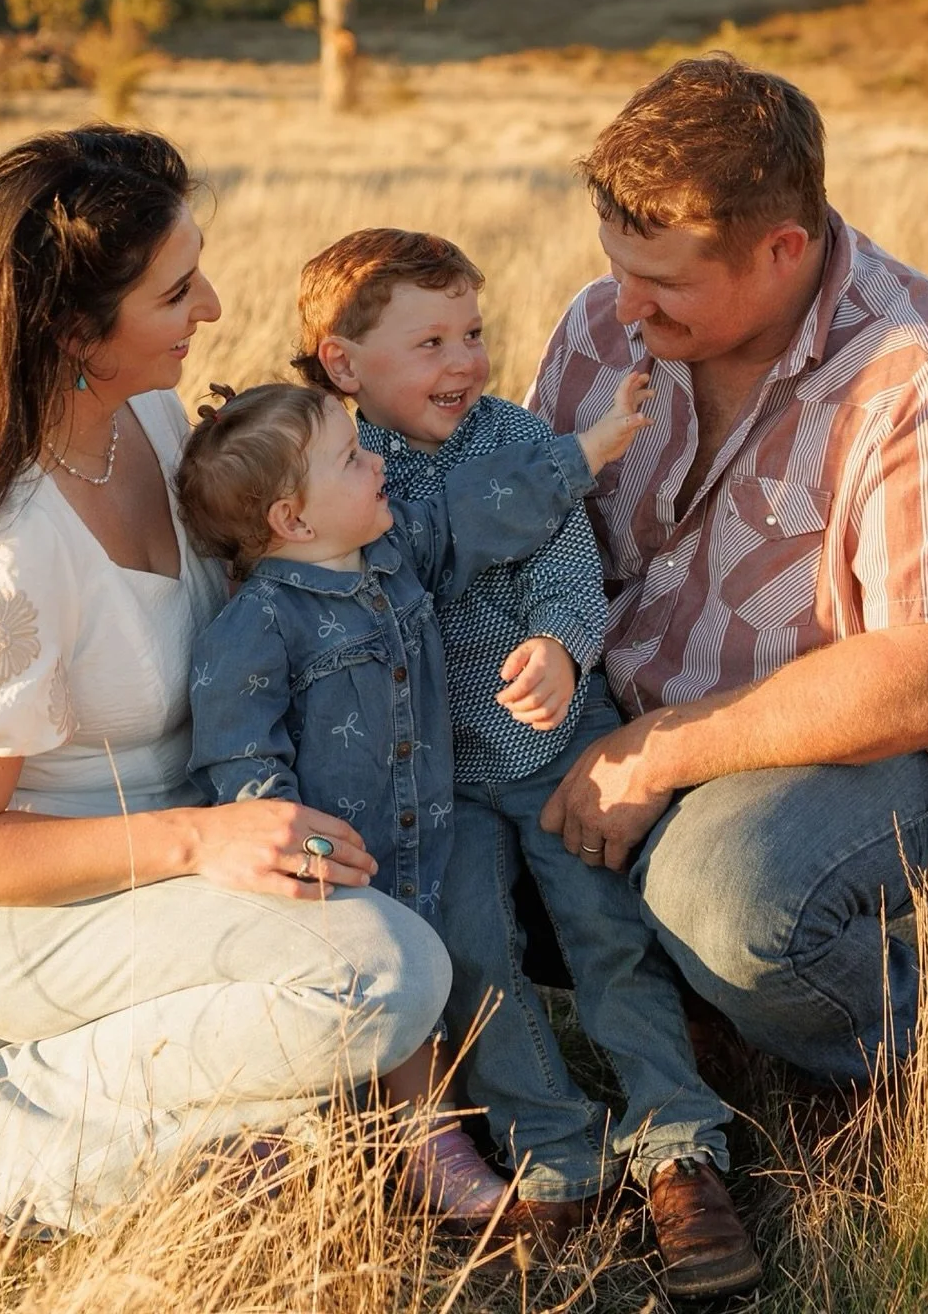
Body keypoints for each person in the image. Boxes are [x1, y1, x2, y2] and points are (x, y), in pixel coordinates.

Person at [0, 127, 450, 1245]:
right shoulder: (1, 561)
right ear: (74, 331)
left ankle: (229, 1135)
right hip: (31, 907)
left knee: (392, 954)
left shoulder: (150, 419)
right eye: (174, 292)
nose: (212, 307)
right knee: (386, 976)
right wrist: (200, 841)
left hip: (189, 857)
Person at [529, 54, 928, 1297]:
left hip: (867, 750)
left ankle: (896, 1057)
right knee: (460, 834)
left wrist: (655, 754)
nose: (623, 306)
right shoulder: (601, 327)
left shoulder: (923, 372)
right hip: (628, 714)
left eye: (663, 281)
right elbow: (534, 550)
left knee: (728, 899)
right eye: (615, 265)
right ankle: (703, 1021)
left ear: (782, 250)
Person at [293, 229, 746, 1282]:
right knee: (473, 957)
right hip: (433, 778)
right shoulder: (339, 469)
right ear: (344, 364)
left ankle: (678, 1141)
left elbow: (566, 564)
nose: (466, 360)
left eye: (474, 333)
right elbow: (410, 551)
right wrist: (576, 456)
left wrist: (560, 643)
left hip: (551, 750)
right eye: (431, 343)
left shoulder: (514, 437)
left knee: (607, 934)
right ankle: (554, 1147)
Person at [175, 373, 649, 1229]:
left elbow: (478, 512)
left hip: (431, 835)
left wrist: (583, 454)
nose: (378, 464)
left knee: (466, 974)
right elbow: (239, 754)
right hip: (342, 870)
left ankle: (530, 1144)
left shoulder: (396, 555)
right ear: (294, 521)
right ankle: (421, 1153)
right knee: (385, 1005)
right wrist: (302, 848)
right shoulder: (257, 625)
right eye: (351, 459)